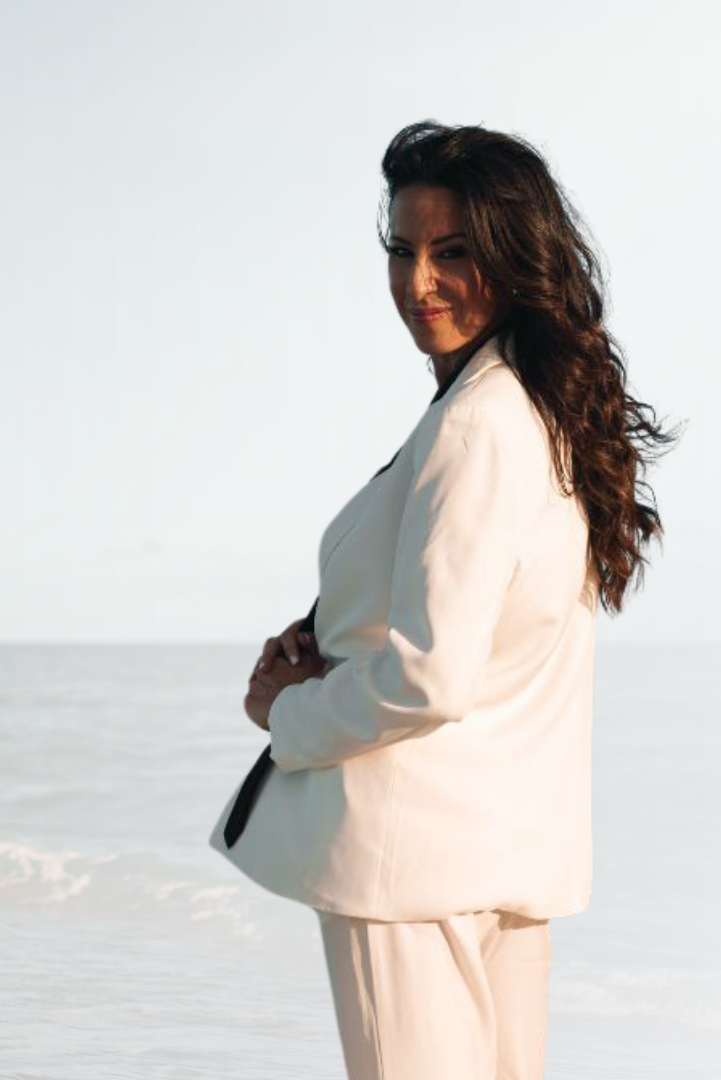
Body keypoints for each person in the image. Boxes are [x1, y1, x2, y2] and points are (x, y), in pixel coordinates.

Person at [208, 121, 674, 1079]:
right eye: (403, 249)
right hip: (504, 853)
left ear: (515, 257)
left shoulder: (478, 425)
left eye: (452, 252)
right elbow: (494, 631)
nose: (419, 282)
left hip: (410, 867)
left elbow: (428, 676)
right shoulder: (538, 412)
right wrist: (336, 629)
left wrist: (289, 712)